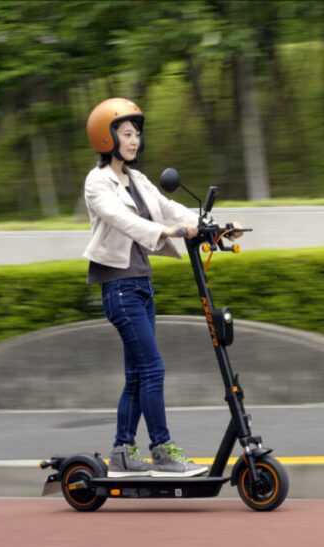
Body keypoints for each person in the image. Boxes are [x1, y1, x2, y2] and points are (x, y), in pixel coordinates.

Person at [82, 97, 242, 477]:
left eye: (136, 134)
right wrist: (167, 231)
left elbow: (169, 208)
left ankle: (122, 451)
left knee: (138, 375)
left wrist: (215, 226)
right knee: (152, 369)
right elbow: (122, 220)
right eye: (125, 134)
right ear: (106, 138)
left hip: (141, 286)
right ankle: (162, 450)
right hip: (119, 289)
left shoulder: (137, 180)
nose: (133, 141)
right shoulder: (97, 182)